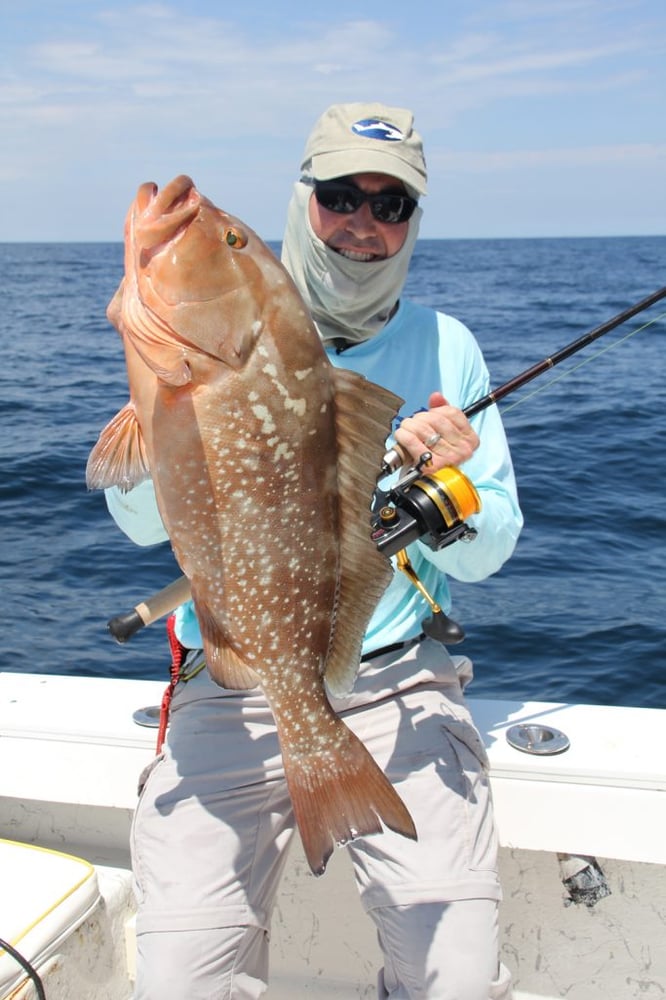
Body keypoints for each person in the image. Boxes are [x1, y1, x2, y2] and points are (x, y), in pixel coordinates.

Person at [106, 102, 523, 999]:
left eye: (391, 206)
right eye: (341, 196)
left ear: (413, 220)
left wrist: (457, 493)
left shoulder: (449, 348)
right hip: (227, 686)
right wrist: (157, 398)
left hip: (400, 683)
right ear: (305, 201)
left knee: (454, 978)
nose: (363, 225)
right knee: (177, 981)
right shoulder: (216, 338)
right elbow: (144, 528)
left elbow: (491, 556)